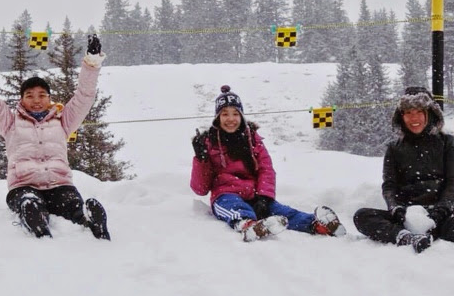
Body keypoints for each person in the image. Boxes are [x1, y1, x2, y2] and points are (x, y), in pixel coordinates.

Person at [0, 33, 111, 240]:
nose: (36, 100)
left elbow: (84, 96)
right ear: (21, 100)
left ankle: (90, 221)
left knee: (72, 205)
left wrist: (92, 63)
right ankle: (36, 221)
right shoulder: (9, 122)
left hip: (59, 184)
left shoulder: (63, 121)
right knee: (29, 202)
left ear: (49, 99)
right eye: (29, 96)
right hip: (23, 186)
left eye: (41, 95)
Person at [190, 85, 346, 242]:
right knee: (234, 207)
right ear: (217, 117)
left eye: (235, 114)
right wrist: (201, 159)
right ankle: (247, 225)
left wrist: (264, 197)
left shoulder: (252, 139)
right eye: (225, 114)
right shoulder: (208, 143)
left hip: (254, 194)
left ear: (242, 116)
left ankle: (317, 225)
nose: (231, 119)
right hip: (225, 195)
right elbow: (200, 189)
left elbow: (266, 169)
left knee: (281, 211)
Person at [354, 86, 454, 253]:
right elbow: (389, 186)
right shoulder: (394, 148)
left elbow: (452, 183)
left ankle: (431, 233)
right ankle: (405, 236)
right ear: (401, 116)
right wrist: (396, 209)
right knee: (362, 216)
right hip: (407, 216)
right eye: (408, 112)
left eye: (419, 112)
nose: (414, 118)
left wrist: (440, 212)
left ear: (430, 113)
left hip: (442, 215)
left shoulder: (448, 143)